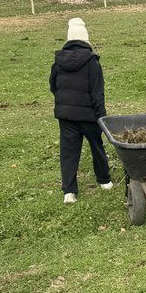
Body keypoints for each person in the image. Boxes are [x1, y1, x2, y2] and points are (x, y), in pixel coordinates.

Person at [49, 16, 112, 204]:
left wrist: (64, 103)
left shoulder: (57, 63)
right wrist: (101, 116)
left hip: (66, 116)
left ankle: (69, 192)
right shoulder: (92, 62)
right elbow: (97, 91)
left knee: (68, 151)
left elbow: (53, 86)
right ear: (86, 39)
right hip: (89, 115)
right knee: (96, 146)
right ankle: (104, 180)